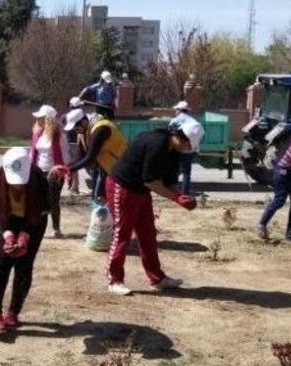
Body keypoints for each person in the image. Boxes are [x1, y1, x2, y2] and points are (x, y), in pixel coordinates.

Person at [87, 121, 204, 294]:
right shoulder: (156, 144)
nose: (187, 148)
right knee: (122, 234)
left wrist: (181, 194)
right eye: (187, 144)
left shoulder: (174, 150)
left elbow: (169, 181)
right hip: (122, 186)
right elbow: (151, 181)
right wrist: (177, 198)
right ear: (179, 136)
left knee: (147, 233)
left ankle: (157, 278)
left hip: (140, 191)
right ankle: (114, 280)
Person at [0, 147, 49, 335]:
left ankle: (13, 312)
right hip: (5, 219)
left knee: (24, 263)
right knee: (2, 260)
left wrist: (25, 235)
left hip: (33, 220)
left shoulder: (39, 180)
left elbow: (43, 210)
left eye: (22, 181)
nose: (18, 186)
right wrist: (8, 235)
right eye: (14, 182)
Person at [58, 108, 127, 201]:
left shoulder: (101, 128)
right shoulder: (83, 132)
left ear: (84, 122)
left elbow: (89, 158)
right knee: (101, 202)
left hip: (124, 170)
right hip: (109, 170)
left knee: (118, 203)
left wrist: (68, 169)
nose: (75, 131)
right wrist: (65, 167)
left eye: (76, 127)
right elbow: (81, 156)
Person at [29, 105, 71, 238]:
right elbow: (33, 153)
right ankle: (38, 229)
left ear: (48, 119)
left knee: (53, 200)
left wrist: (67, 172)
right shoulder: (38, 134)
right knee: (39, 200)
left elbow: (65, 155)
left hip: (55, 173)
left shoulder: (59, 136)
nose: (37, 120)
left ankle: (56, 229)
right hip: (40, 171)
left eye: (40, 117)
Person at [169, 101, 199, 195]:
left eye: (176, 110)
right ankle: (185, 192)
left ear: (179, 110)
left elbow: (170, 133)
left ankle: (173, 190)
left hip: (177, 149)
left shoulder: (174, 121)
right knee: (186, 172)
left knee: (174, 170)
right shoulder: (193, 121)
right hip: (189, 151)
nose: (175, 112)